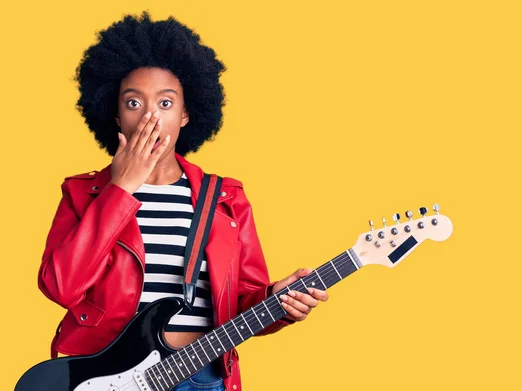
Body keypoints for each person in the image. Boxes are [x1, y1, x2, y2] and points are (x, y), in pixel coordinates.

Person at [38, 11, 328, 391]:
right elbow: (61, 287)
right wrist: (121, 190)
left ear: (187, 114)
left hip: (202, 379)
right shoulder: (83, 193)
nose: (150, 120)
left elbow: (240, 302)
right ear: (115, 114)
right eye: (133, 103)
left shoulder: (226, 199)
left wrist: (278, 301)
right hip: (105, 380)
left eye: (165, 103)